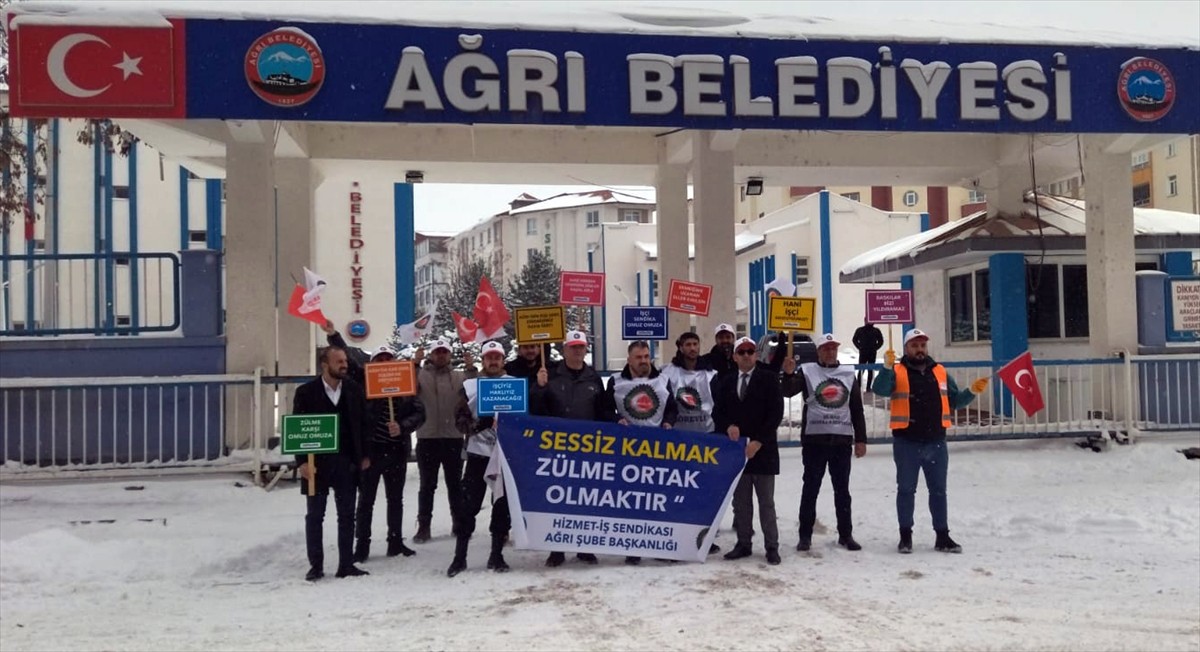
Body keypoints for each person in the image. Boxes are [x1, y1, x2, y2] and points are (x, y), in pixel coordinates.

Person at [872, 328, 988, 554]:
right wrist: (886, 368)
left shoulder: (941, 372)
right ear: (906, 349)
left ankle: (942, 536)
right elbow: (880, 389)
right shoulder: (897, 371)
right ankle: (905, 536)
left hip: (936, 441)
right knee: (906, 490)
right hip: (907, 441)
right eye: (914, 346)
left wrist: (972, 391)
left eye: (922, 345)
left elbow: (954, 401)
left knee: (938, 491)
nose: (919, 350)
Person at [530, 329, 617, 566]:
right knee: (558, 498)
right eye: (573, 347)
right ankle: (557, 548)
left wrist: (615, 424)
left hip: (588, 449)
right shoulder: (551, 375)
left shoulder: (593, 378)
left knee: (585, 499)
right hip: (557, 448)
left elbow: (603, 411)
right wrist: (538, 387)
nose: (578, 351)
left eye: (581, 347)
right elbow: (536, 411)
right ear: (564, 350)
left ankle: (585, 546)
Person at [781, 333, 867, 553]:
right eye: (826, 348)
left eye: (833, 348)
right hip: (815, 441)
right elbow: (788, 391)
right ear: (818, 351)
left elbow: (856, 408)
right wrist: (788, 374)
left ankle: (845, 534)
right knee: (810, 489)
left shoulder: (848, 374)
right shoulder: (808, 371)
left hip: (841, 440)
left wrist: (861, 439)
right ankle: (805, 536)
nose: (830, 352)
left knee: (842, 490)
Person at [293, 346, 371, 581]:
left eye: (345, 361)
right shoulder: (306, 393)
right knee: (315, 515)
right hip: (316, 464)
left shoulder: (354, 390)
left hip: (347, 463)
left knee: (347, 515)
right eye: (339, 361)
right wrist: (301, 463)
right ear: (324, 364)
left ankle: (346, 564)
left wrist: (365, 455)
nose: (344, 365)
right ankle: (316, 565)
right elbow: (297, 430)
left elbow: (364, 423)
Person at [712, 337, 784, 566]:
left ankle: (772, 546)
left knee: (766, 503)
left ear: (756, 355)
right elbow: (718, 412)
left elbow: (775, 414)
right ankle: (743, 543)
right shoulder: (726, 381)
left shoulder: (769, 380)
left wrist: (758, 442)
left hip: (763, 451)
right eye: (741, 352)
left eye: (750, 351)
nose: (745, 355)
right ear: (734, 356)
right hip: (737, 453)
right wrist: (728, 426)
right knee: (740, 503)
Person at [605, 340, 678, 565]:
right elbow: (605, 408)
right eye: (639, 357)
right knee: (631, 501)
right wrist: (616, 419)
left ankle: (659, 546)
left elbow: (672, 407)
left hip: (657, 451)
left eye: (647, 356)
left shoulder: (662, 380)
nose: (644, 361)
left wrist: (668, 421)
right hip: (628, 451)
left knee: (657, 499)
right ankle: (632, 548)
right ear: (629, 359)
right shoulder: (615, 382)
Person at [448, 340, 514, 577]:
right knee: (468, 506)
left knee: (501, 507)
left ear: (503, 360)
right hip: (478, 454)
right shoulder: (470, 386)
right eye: (489, 357)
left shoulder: (515, 385)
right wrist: (480, 424)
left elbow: (524, 417)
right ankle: (460, 557)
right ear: (483, 360)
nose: (493, 361)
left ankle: (496, 554)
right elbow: (460, 421)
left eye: (497, 357)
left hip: (505, 456)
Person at [354, 346, 425, 562]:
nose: (384, 362)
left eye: (388, 358)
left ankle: (395, 541)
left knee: (395, 499)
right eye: (379, 359)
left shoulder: (405, 386)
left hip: (396, 451)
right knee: (366, 500)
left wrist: (402, 426)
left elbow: (420, 413)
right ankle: (362, 545)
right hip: (371, 452)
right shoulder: (362, 385)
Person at [413, 339, 476, 543]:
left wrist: (471, 367)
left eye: (444, 352)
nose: (441, 355)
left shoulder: (458, 377)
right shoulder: (421, 375)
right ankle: (424, 526)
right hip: (427, 437)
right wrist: (414, 364)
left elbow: (475, 390)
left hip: (453, 438)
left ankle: (458, 523)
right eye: (437, 352)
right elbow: (406, 386)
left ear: (449, 354)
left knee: (455, 485)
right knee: (427, 485)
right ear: (431, 355)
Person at [852, 318, 885, 390]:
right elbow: (854, 339)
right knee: (861, 370)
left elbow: (881, 341)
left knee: (871, 370)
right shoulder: (860, 330)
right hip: (863, 353)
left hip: (872, 353)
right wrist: (859, 347)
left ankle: (868, 387)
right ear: (865, 321)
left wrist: (875, 348)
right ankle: (858, 387)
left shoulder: (876, 331)